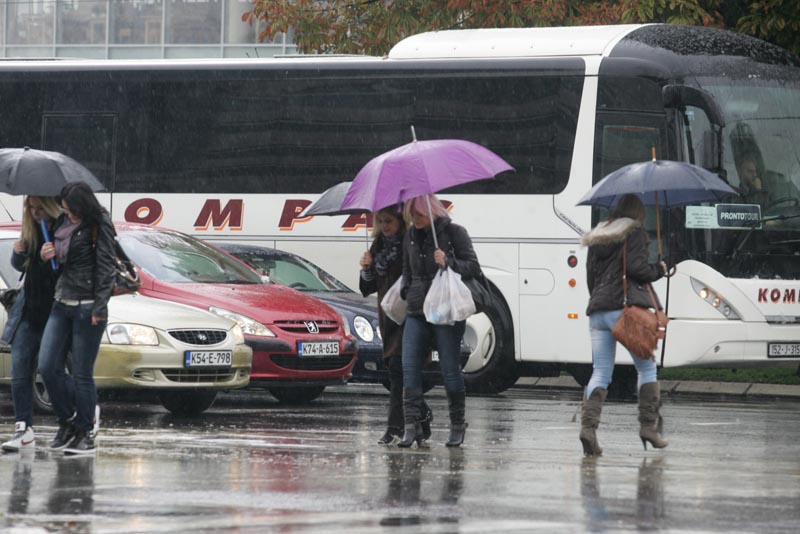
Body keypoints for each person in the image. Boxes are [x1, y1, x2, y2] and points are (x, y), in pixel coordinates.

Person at [580, 193, 669, 456]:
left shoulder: (598, 235)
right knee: (647, 368)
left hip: (598, 310)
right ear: (638, 214)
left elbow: (591, 276)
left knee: (601, 372)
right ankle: (648, 428)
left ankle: (588, 430)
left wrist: (600, 298)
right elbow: (637, 269)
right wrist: (659, 269)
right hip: (624, 310)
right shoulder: (635, 233)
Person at [38, 182, 117, 456]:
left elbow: (107, 267)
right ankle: (67, 422)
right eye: (66, 210)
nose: (68, 215)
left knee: (82, 373)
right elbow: (57, 266)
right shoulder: (61, 222)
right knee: (47, 367)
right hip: (61, 302)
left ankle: (85, 433)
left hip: (87, 307)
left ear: (83, 206)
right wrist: (46, 255)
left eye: (72, 211)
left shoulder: (99, 224)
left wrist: (100, 306)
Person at [398, 194, 481, 448]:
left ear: (432, 211)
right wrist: (406, 288)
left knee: (449, 369)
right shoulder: (410, 236)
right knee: (409, 366)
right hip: (416, 310)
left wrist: (448, 262)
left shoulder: (455, 232)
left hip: (445, 311)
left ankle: (457, 423)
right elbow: (407, 270)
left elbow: (473, 267)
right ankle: (410, 425)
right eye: (413, 215)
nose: (416, 220)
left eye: (420, 214)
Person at [359, 205, 432, 445]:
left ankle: (395, 427)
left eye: (388, 221)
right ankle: (420, 416)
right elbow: (366, 288)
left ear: (401, 221)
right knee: (397, 371)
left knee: (399, 370)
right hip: (387, 315)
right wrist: (367, 268)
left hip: (409, 313)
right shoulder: (378, 246)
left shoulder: (409, 243)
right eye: (380, 222)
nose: (384, 226)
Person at [0, 196, 61, 453]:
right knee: (20, 369)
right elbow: (20, 267)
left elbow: (62, 272)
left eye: (40, 208)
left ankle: (76, 417)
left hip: (54, 310)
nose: (36, 214)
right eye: (31, 209)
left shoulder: (61, 231)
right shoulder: (32, 231)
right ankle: (23, 427)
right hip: (28, 309)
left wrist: (51, 258)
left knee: (51, 370)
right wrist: (19, 252)